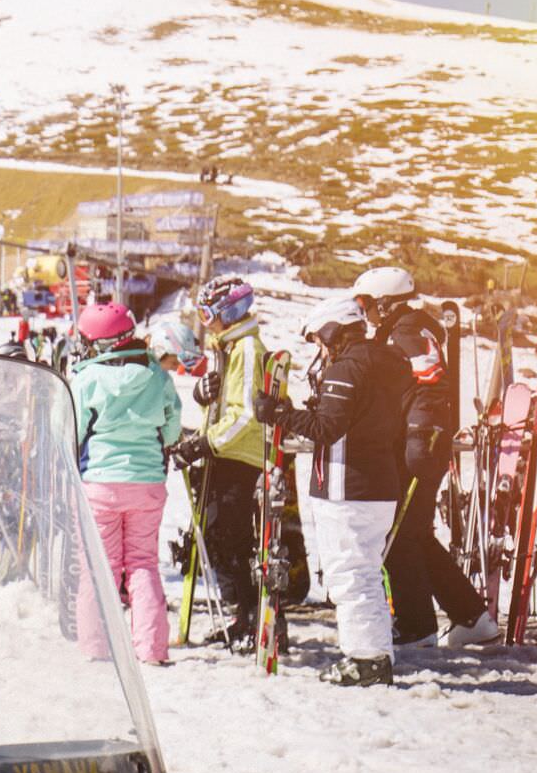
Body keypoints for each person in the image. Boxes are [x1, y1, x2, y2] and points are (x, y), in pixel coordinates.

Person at [254, 296, 411, 687]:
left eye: (319, 340)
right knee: (365, 571)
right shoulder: (388, 363)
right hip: (379, 483)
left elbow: (328, 428)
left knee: (350, 574)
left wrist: (279, 413)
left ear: (333, 330)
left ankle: (367, 659)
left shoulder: (347, 368)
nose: (319, 350)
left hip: (348, 485)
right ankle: (374, 654)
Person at [354, 266, 500, 648]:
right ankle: (471, 616)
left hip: (416, 447)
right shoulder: (417, 326)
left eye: (366, 304)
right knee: (414, 533)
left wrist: (418, 438)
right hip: (422, 445)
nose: (364, 313)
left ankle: (417, 626)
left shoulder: (405, 332)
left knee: (398, 533)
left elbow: (429, 382)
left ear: (384, 305)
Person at [68, 302, 180, 665]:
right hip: (147, 482)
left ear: (100, 343)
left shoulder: (87, 379)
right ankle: (150, 650)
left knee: (100, 567)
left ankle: (96, 647)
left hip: (100, 483)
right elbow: (172, 429)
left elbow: (73, 430)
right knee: (143, 563)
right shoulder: (159, 376)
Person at [183, 278, 270, 652]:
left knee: (229, 539)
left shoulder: (247, 349)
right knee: (218, 536)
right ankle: (241, 614)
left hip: (239, 454)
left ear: (228, 312)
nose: (204, 323)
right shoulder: (229, 347)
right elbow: (225, 403)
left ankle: (252, 616)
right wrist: (202, 395)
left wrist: (206, 442)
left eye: (208, 314)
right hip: (224, 452)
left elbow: (246, 413)